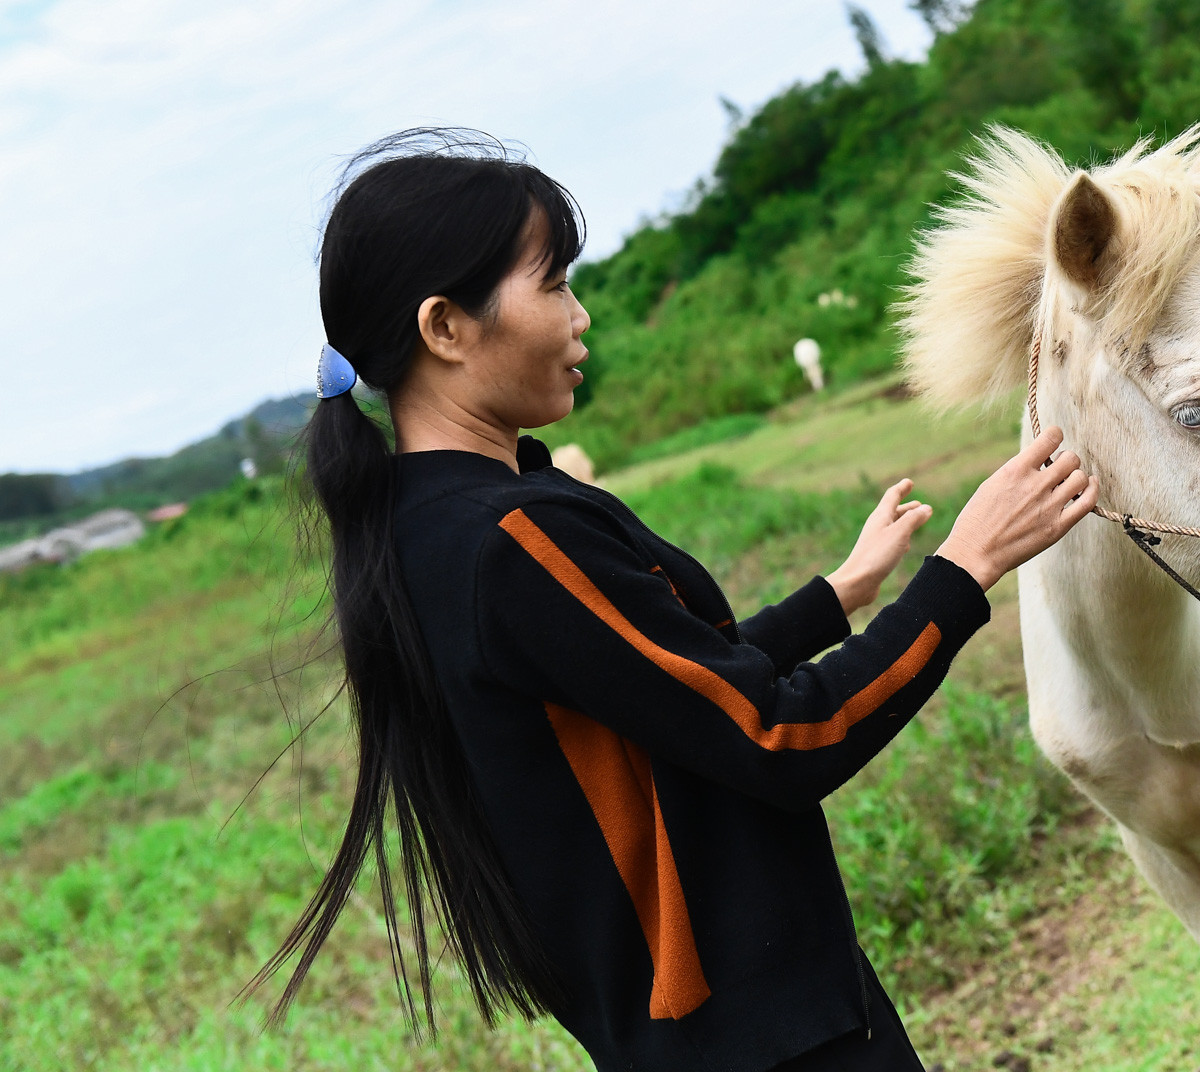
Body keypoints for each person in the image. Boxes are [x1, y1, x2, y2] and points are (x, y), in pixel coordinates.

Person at [252, 131, 1099, 1072]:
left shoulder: (431, 527)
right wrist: (965, 569)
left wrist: (838, 597)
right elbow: (782, 739)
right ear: (446, 327)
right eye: (555, 284)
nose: (581, 317)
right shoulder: (513, 542)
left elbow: (661, 690)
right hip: (764, 1036)